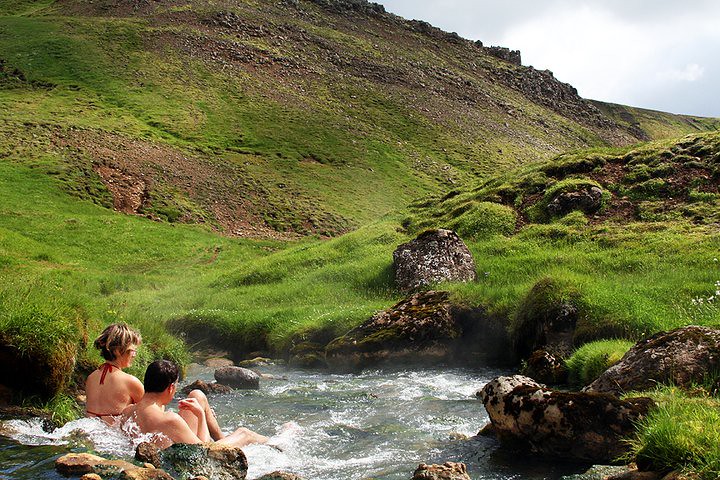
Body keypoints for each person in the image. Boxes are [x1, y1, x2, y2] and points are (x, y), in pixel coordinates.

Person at [121, 360, 268, 449]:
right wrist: (200, 415)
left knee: (196, 395)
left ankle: (222, 439)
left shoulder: (127, 412)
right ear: (171, 388)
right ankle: (277, 442)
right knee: (244, 433)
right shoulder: (169, 419)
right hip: (187, 459)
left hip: (164, 453)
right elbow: (202, 451)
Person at [85, 323, 144, 424]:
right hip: (113, 436)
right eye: (132, 351)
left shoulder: (91, 377)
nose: (134, 355)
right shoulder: (130, 382)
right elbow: (150, 414)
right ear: (117, 351)